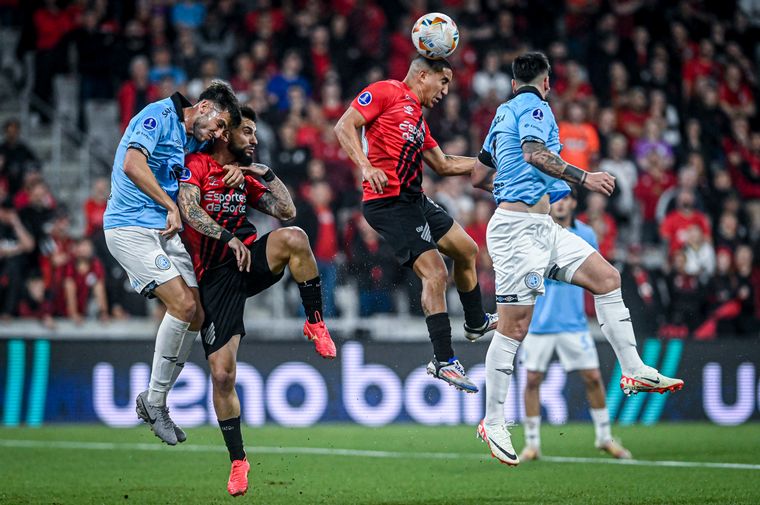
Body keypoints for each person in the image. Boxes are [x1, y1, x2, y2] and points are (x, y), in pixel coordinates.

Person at [471, 52, 683, 466]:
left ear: (514, 81)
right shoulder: (536, 108)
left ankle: (634, 367)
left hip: (543, 226)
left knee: (607, 277)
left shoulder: (501, 114)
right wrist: (584, 177)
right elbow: (534, 153)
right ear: (545, 81)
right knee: (515, 327)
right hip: (518, 230)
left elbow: (479, 176)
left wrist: (508, 188)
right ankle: (493, 419)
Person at [178, 106, 336, 497]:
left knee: (295, 237)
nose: (254, 139)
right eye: (247, 132)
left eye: (255, 133)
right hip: (215, 277)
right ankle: (238, 460)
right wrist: (226, 237)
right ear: (225, 133)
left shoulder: (243, 177)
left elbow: (286, 210)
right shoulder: (196, 165)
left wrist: (262, 172)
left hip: (249, 259)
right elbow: (189, 209)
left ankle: (315, 321)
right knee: (222, 375)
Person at [334, 56, 497, 393]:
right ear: (423, 75)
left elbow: (445, 163)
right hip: (387, 202)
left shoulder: (417, 120)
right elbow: (343, 126)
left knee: (467, 250)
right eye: (443, 81)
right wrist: (365, 167)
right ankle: (444, 360)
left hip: (414, 200)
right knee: (435, 272)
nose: (446, 91)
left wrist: (493, 165)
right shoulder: (386, 91)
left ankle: (476, 322)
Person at [103, 80, 243, 446]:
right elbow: (133, 164)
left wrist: (245, 169)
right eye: (218, 125)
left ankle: (154, 403)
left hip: (163, 231)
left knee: (196, 313)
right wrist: (170, 206)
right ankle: (155, 402)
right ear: (204, 107)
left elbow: (225, 154)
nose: (217, 134)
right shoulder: (157, 115)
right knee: (181, 304)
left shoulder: (194, 139)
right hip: (130, 226)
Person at [519, 191, 631, 461]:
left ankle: (604, 437)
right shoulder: (535, 231)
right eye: (553, 197)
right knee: (532, 380)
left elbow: (596, 274)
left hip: (573, 322)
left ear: (572, 203)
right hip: (539, 322)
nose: (558, 202)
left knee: (592, 377)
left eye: (564, 198)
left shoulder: (587, 234)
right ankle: (532, 444)